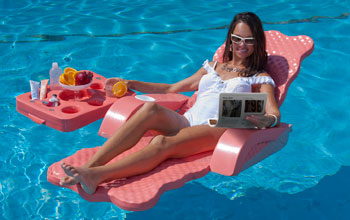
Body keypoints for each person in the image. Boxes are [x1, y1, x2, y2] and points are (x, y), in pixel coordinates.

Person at [60, 12, 281, 194]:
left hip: (217, 128)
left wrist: (265, 119)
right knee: (150, 109)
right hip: (188, 120)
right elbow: (171, 88)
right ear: (229, 39)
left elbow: (273, 113)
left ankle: (96, 176)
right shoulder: (213, 66)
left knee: (160, 143)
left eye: (249, 40)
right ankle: (90, 165)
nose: (242, 45)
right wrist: (130, 82)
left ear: (257, 42)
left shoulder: (258, 76)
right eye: (237, 38)